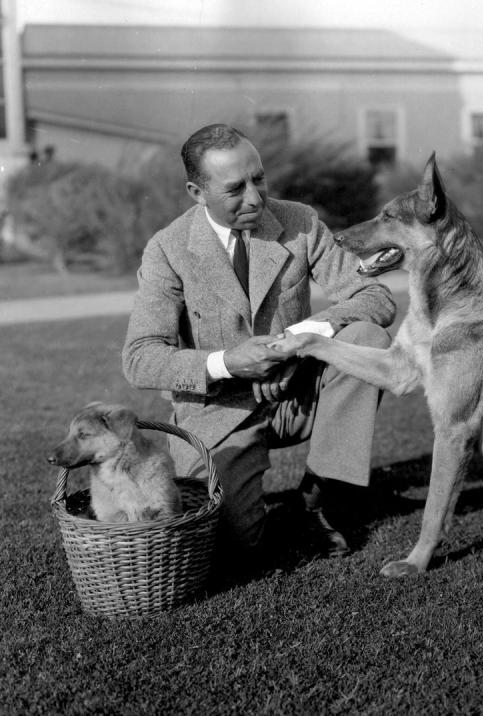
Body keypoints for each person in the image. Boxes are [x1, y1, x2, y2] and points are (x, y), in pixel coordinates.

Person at [122, 124, 395, 559]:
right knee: (234, 542)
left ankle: (321, 499)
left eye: (259, 179)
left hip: (297, 393)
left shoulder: (300, 222)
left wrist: (299, 340)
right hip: (219, 411)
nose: (255, 198)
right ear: (197, 192)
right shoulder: (167, 249)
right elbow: (140, 358)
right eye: (235, 189)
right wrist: (229, 362)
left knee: (368, 337)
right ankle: (253, 502)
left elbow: (375, 297)